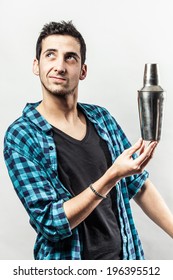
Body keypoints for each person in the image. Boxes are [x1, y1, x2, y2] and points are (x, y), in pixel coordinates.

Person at [3, 21, 173, 260]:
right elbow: (51, 222)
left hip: (126, 260)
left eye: (70, 58)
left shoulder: (102, 119)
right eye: (50, 55)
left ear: (83, 70)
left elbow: (139, 185)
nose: (59, 66)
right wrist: (112, 176)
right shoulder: (21, 136)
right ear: (36, 65)